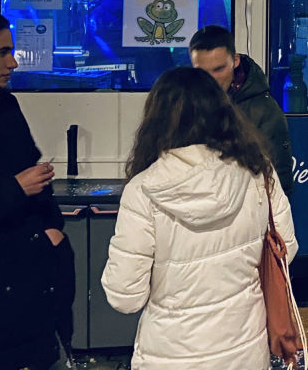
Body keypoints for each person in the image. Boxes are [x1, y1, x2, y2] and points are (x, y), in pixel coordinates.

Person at [102, 67, 296, 369]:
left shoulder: (143, 191)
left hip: (169, 356)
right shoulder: (258, 172)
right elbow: (287, 250)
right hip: (244, 353)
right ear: (223, 112)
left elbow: (125, 296)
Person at [0, 10, 75, 370]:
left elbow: (33, 175)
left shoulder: (7, 105)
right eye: (2, 53)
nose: (13, 62)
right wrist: (14, 188)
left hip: (30, 287)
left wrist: (53, 227)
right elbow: (20, 184)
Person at [189, 25, 294, 197]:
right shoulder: (185, 103)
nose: (211, 80)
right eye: (202, 72)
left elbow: (279, 184)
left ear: (235, 61)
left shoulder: (264, 110)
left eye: (219, 69)